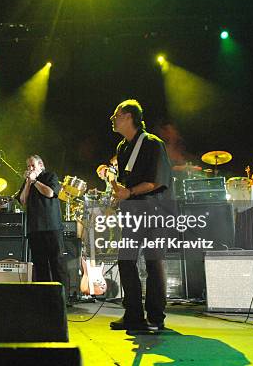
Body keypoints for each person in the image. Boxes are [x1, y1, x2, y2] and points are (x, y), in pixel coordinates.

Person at [106, 99, 172, 332]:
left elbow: (157, 181)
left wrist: (129, 192)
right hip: (132, 211)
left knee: (154, 262)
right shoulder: (122, 148)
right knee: (126, 260)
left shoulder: (153, 143)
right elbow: (126, 183)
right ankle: (133, 313)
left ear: (128, 116)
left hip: (155, 210)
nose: (112, 119)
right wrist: (116, 188)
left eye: (116, 114)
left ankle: (156, 316)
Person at [18, 155, 67, 284]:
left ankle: (61, 298)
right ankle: (44, 297)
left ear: (41, 165)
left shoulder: (50, 176)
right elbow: (23, 200)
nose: (30, 168)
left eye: (33, 165)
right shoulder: (28, 181)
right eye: (28, 166)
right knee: (40, 265)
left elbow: (50, 193)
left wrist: (34, 181)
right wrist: (28, 183)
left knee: (57, 263)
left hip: (51, 227)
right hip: (34, 228)